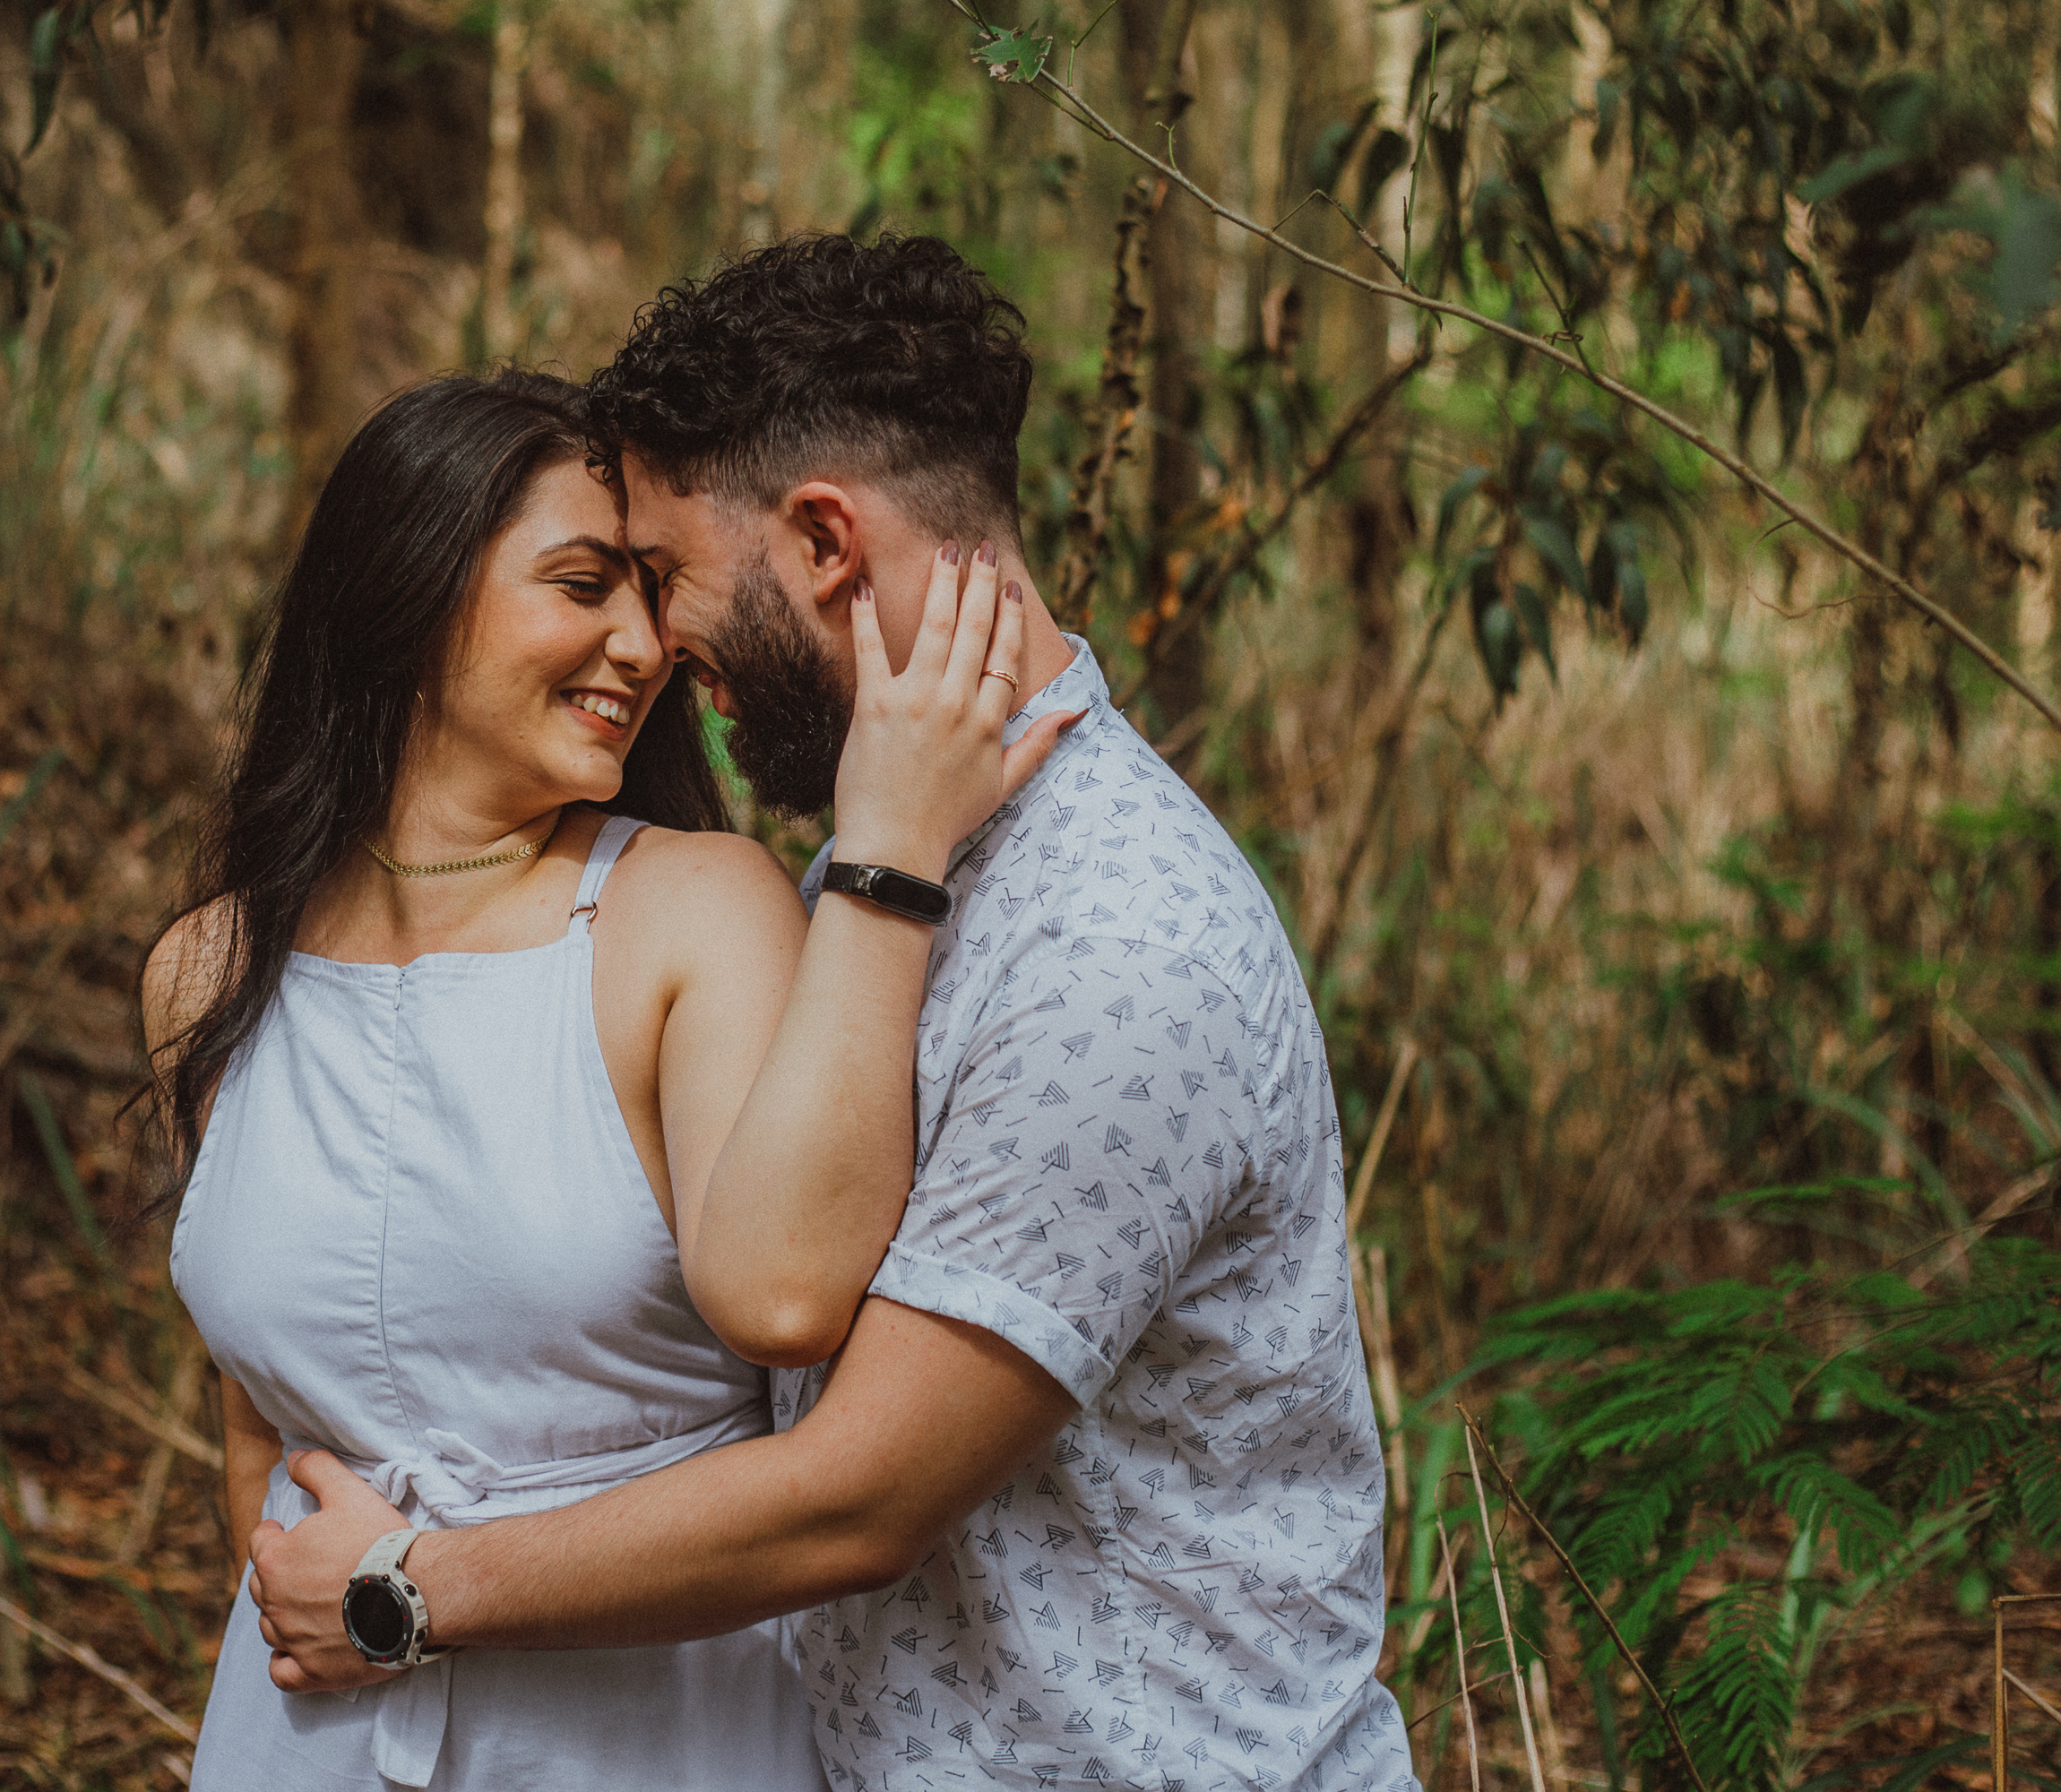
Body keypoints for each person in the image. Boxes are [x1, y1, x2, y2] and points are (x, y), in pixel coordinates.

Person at [246, 237, 1424, 1792]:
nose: (657, 647)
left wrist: (409, 1592)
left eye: (663, 576)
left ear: (820, 540)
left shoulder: (1119, 951)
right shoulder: (909, 854)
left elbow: (854, 1501)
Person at [141, 367, 1064, 1790]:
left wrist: (885, 859)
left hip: (649, 1739)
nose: (641, 643)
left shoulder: (690, 911)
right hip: (301, 1739)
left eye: (648, 590)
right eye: (582, 587)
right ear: (409, 595)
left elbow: (788, 1295)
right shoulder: (208, 972)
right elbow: (259, 1426)